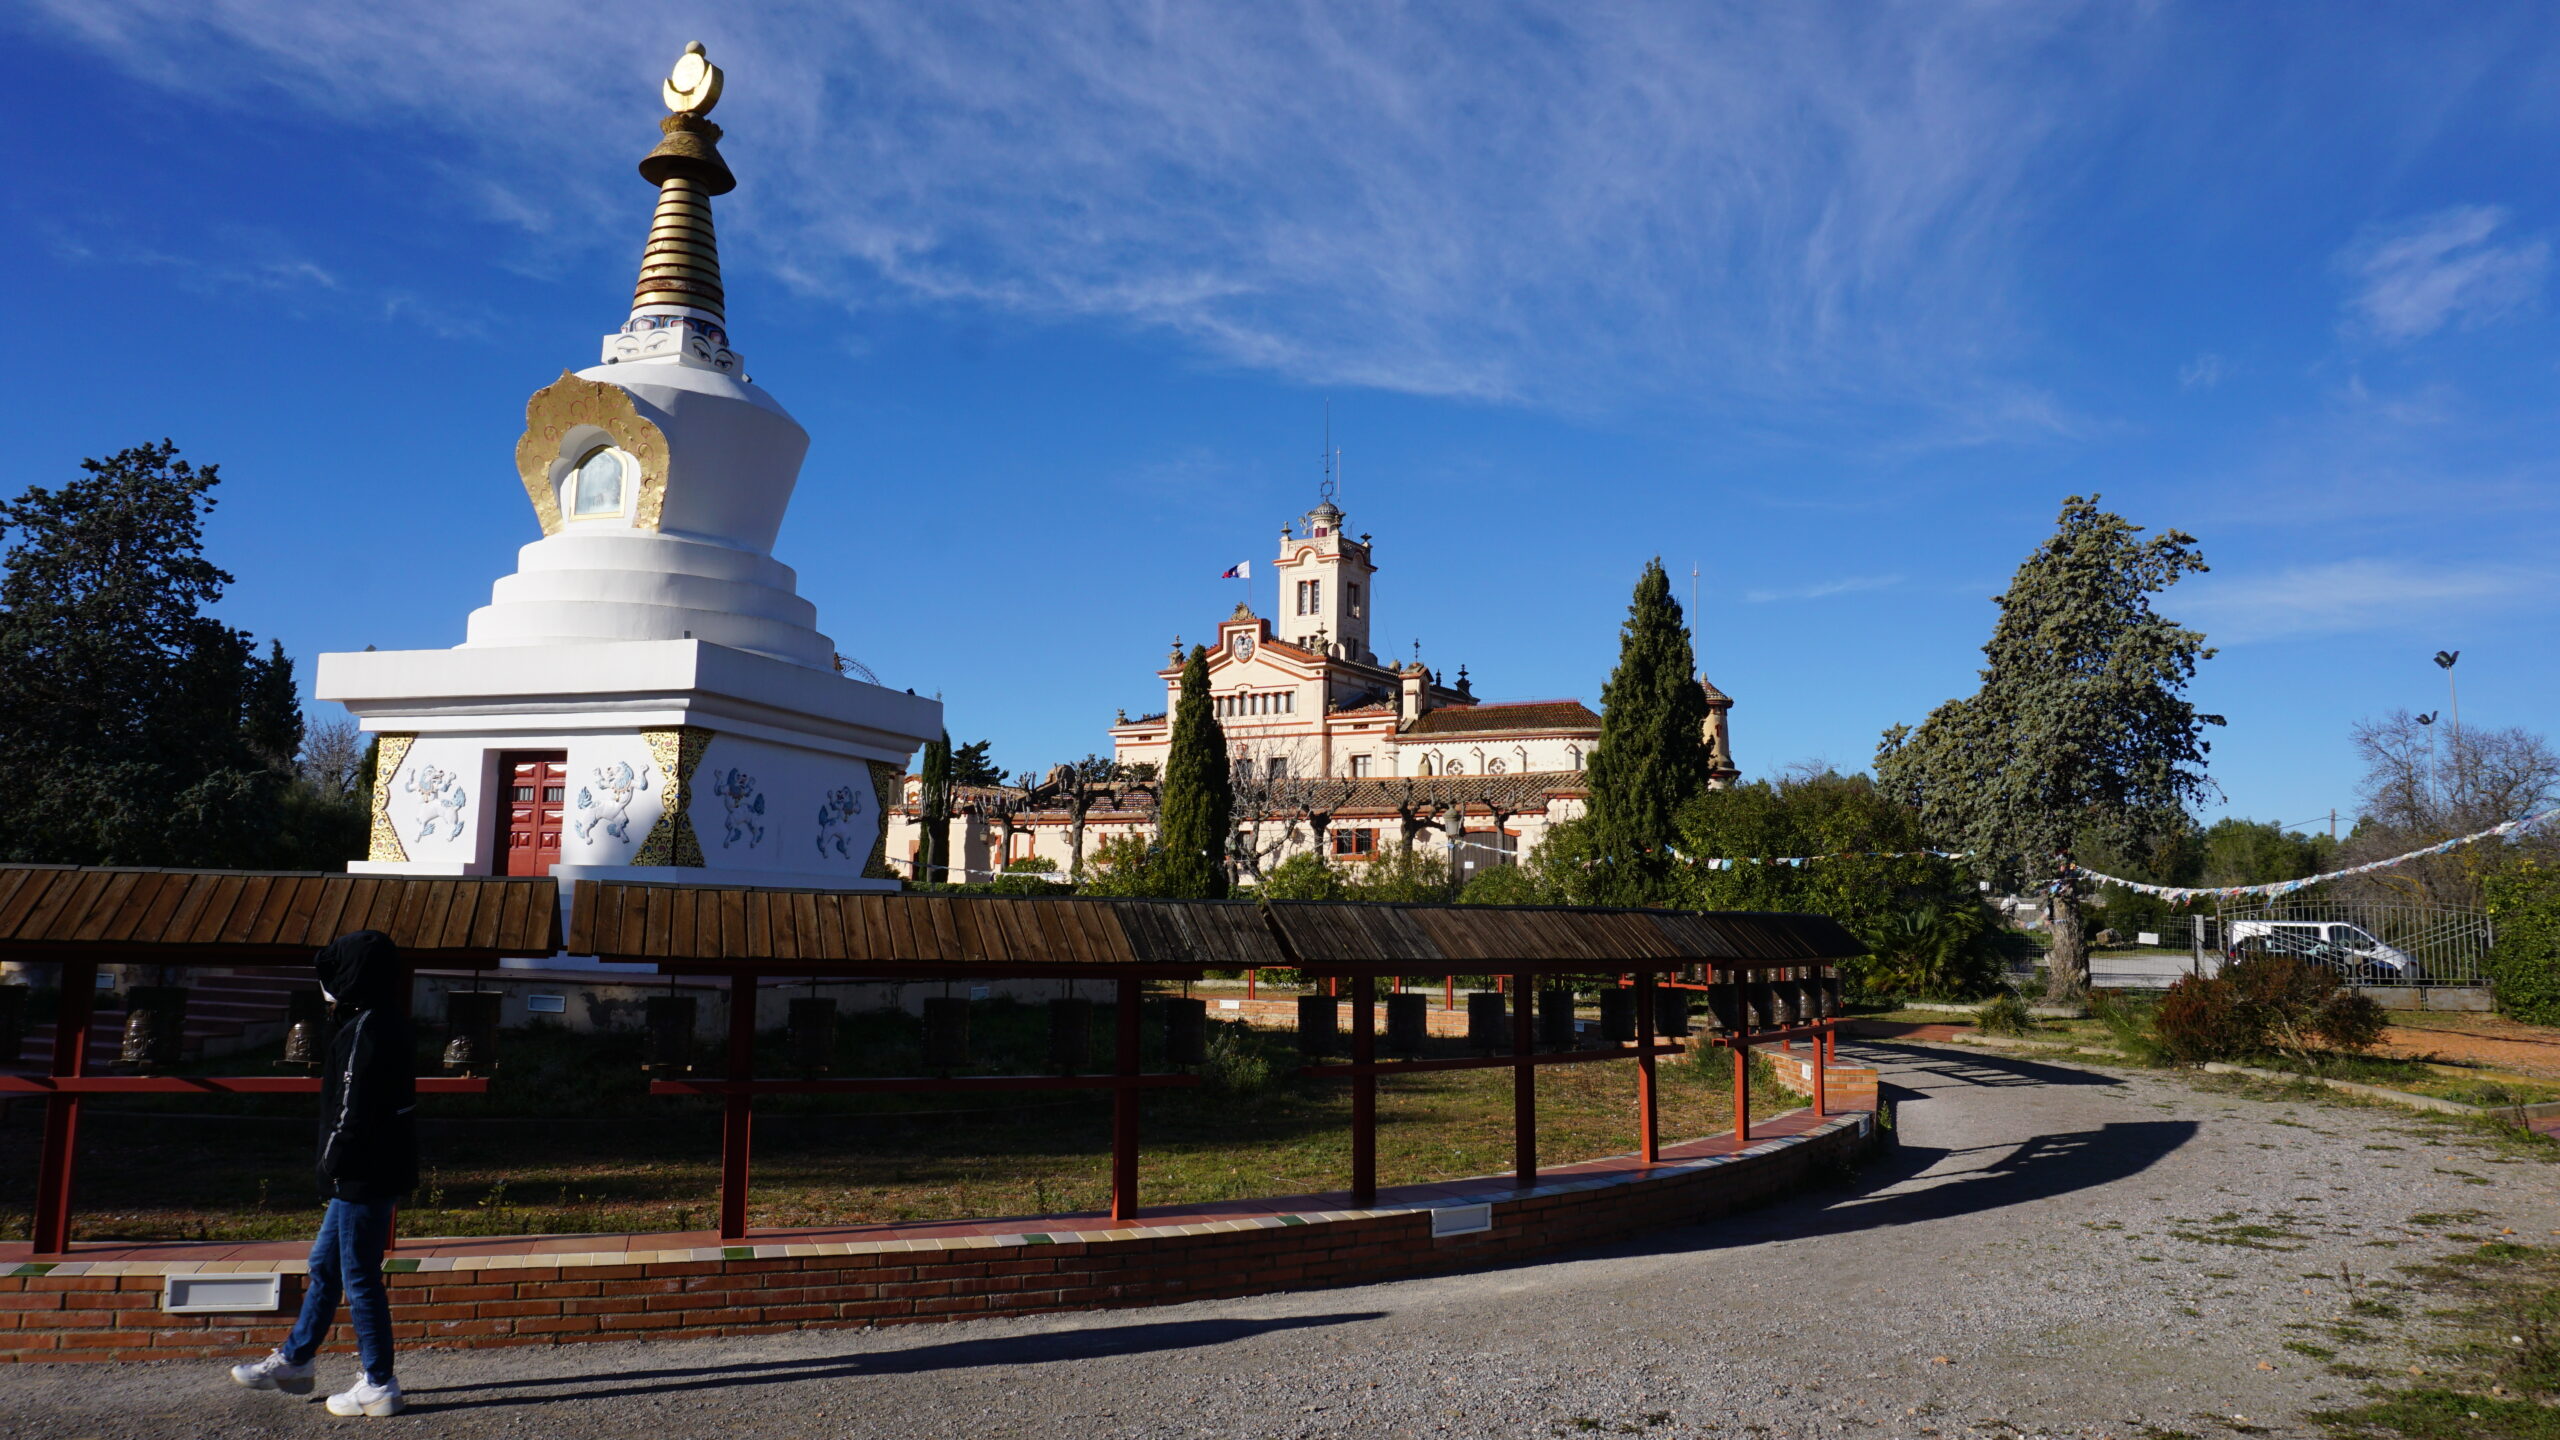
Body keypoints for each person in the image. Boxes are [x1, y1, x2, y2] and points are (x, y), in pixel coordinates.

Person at [229, 931, 417, 1417]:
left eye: (334, 974)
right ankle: (296, 1359)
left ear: (354, 975)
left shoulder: (365, 1029)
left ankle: (378, 1382)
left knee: (359, 1276)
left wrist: (331, 1162)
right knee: (326, 1266)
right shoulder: (383, 1020)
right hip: (371, 1168)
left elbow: (352, 1107)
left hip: (360, 1171)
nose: (327, 986)